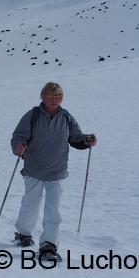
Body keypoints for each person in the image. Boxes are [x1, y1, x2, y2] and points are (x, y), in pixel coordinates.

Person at [10, 82, 97, 260]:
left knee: (53, 210)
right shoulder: (32, 115)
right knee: (30, 205)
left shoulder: (66, 117)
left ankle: (49, 244)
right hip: (34, 168)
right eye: (50, 96)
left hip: (57, 171)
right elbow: (19, 136)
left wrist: (87, 140)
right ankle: (24, 234)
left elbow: (75, 138)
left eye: (57, 97)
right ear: (43, 96)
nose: (54, 100)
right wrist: (18, 146)